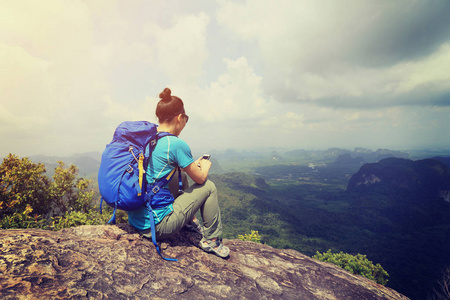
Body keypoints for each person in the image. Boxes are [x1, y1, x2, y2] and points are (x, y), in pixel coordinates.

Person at [127, 87, 230, 258]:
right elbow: (200, 177)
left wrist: (191, 164)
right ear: (180, 117)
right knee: (209, 186)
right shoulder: (175, 144)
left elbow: (165, 169)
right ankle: (212, 240)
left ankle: (188, 221)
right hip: (158, 226)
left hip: (137, 219)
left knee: (180, 174)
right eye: (185, 119)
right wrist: (205, 165)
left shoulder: (149, 139)